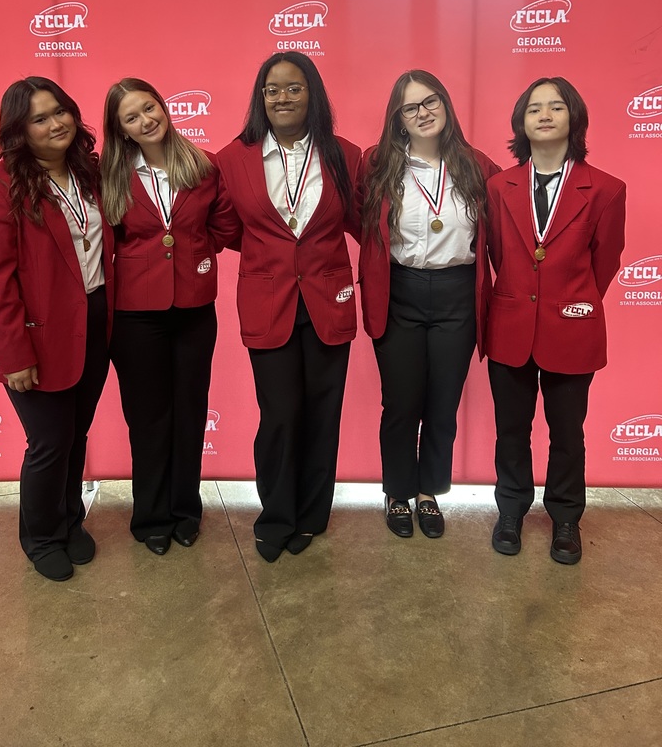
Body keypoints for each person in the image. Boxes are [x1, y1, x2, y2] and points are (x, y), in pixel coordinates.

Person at [0, 76, 113, 583]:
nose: (55, 124)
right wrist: (15, 355)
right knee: (49, 441)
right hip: (34, 334)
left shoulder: (88, 172)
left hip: (92, 320)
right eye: (39, 119)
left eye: (60, 111)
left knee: (75, 434)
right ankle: (41, 537)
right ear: (18, 131)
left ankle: (70, 521)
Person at [217, 52, 361, 562]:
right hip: (268, 302)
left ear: (312, 94)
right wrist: (272, 257)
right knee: (279, 415)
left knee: (323, 413)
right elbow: (227, 228)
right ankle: (277, 515)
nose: (282, 97)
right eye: (272, 89)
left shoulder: (345, 155)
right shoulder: (232, 159)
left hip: (328, 301)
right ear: (261, 98)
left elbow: (361, 222)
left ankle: (313, 515)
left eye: (294, 88)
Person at [486, 76, 625, 565]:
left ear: (574, 118)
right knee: (511, 429)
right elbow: (498, 254)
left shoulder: (606, 189)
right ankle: (510, 510)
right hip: (510, 326)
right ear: (521, 123)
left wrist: (570, 300)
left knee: (568, 433)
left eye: (556, 106)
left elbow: (604, 262)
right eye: (534, 108)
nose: (544, 115)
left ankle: (566, 517)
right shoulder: (498, 187)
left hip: (572, 327)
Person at [101, 78, 239, 556]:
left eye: (149, 107)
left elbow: (224, 224)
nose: (146, 120)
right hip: (136, 315)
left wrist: (191, 253)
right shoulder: (109, 175)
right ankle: (151, 516)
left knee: (190, 412)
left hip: (195, 309)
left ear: (163, 106)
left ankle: (185, 511)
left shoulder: (203, 165)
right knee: (148, 418)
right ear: (121, 130)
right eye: (131, 117)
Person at [360, 71, 499, 540]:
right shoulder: (377, 164)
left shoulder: (478, 166)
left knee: (442, 404)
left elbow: (499, 234)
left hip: (458, 294)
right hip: (400, 291)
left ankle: (428, 493)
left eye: (430, 101)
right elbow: (358, 221)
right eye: (410, 107)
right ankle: (397, 493)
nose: (423, 113)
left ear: (446, 104)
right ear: (397, 119)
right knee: (401, 402)